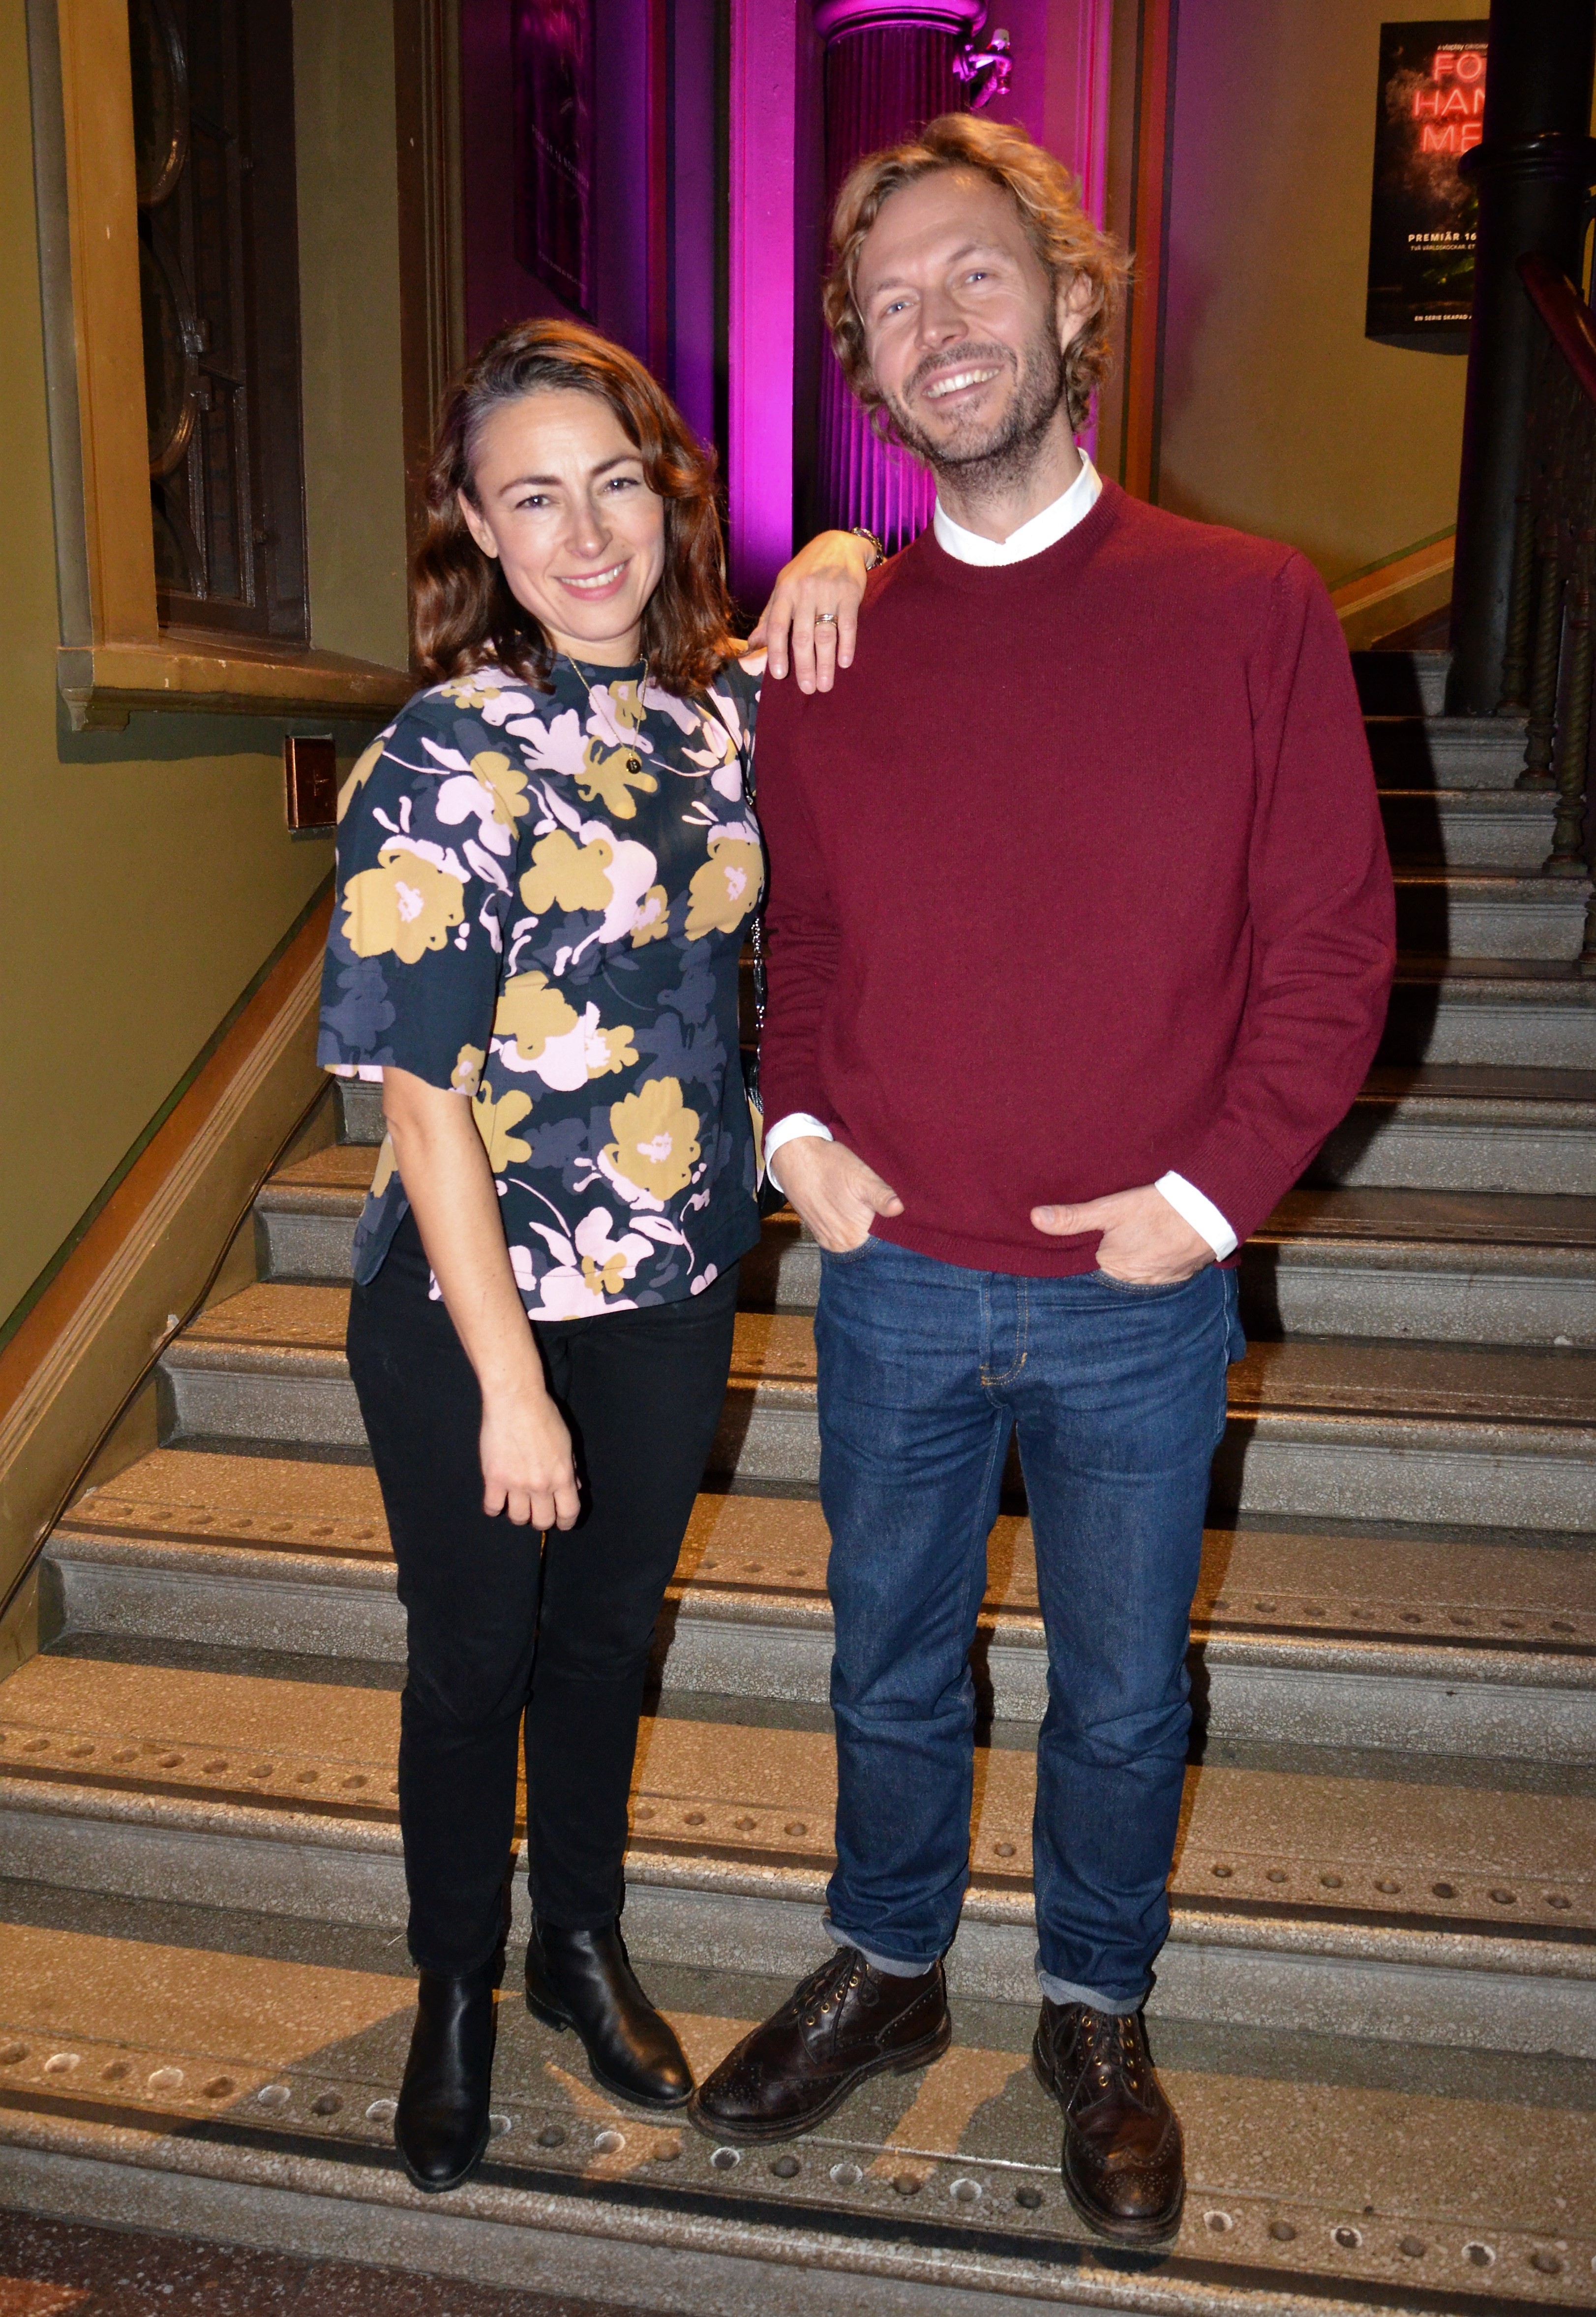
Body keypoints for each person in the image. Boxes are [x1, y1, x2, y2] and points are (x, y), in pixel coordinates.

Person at [691, 113, 1396, 2253]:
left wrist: (1214, 1193)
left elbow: (1330, 947)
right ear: (864, 368)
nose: (936, 323)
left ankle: (1094, 2003)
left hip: (1136, 1292)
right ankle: (891, 1959)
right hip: (897, 1271)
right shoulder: (831, 642)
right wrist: (791, 1130)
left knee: (1121, 1692)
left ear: (1072, 298)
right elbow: (801, 940)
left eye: (974, 272)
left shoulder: (1251, 607)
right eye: (889, 302)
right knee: (883, 1666)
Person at [318, 319, 872, 2194]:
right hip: (474, 1303)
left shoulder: (719, 718)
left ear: (667, 493)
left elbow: (897, 636)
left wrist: (847, 552)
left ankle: (577, 1944)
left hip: (673, 1283)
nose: (586, 535)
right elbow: (421, 1106)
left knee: (609, 1641)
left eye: (616, 484)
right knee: (476, 1657)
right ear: (477, 527)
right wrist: (508, 1385)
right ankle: (454, 1987)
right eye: (535, 498)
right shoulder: (446, 751)